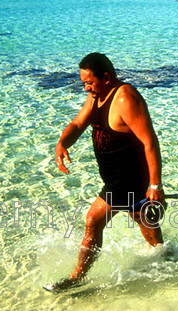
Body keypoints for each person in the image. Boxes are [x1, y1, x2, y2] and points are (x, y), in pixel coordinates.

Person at [45, 52, 165, 292]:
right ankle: (168, 261)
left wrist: (155, 186)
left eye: (89, 82)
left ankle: (77, 277)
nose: (86, 88)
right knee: (144, 222)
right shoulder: (96, 96)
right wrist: (62, 144)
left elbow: (150, 142)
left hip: (128, 179)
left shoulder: (126, 99)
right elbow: (78, 124)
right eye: (84, 83)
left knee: (92, 221)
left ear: (107, 77)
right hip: (116, 176)